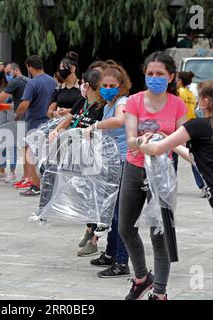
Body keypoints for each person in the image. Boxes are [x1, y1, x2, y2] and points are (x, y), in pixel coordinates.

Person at [140, 76, 213, 300]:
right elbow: (196, 158)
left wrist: (144, 144)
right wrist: (172, 143)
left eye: (197, 98)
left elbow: (155, 149)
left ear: (204, 102)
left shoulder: (197, 125)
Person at [120, 52, 187, 300]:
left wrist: (200, 160)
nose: (154, 78)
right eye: (150, 74)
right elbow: (129, 139)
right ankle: (141, 278)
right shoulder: (135, 101)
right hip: (134, 169)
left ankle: (159, 292)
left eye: (160, 74)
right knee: (125, 228)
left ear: (170, 77)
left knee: (160, 235)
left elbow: (181, 141)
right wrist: (140, 141)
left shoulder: (178, 105)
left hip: (162, 175)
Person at [48, 68, 106, 255]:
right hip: (77, 156)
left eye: (82, 83)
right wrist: (56, 130)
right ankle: (89, 229)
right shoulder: (82, 101)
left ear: (88, 85)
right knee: (84, 195)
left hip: (94, 157)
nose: (81, 86)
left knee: (97, 198)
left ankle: (96, 240)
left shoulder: (102, 107)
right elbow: (70, 119)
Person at [83, 63, 131, 277]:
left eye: (112, 85)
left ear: (120, 86)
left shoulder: (122, 102)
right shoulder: (106, 106)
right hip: (111, 162)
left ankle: (122, 262)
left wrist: (95, 127)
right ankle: (111, 254)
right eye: (104, 84)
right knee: (110, 212)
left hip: (124, 162)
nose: (107, 88)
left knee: (121, 214)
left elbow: (120, 120)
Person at [15, 55, 56, 196]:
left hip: (35, 123)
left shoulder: (32, 83)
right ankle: (47, 184)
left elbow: (24, 104)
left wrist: (17, 114)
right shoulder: (53, 81)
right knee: (47, 156)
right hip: (51, 124)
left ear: (30, 67)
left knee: (30, 154)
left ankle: (35, 185)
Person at [0, 62, 29, 183]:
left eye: (7, 72)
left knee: (12, 144)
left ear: (15, 71)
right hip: (5, 118)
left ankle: (12, 171)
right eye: (3, 72)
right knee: (3, 143)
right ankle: (2, 170)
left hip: (16, 117)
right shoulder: (20, 82)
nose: (5, 75)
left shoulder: (18, 82)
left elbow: (4, 100)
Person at [177, 71, 208, 197]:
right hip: (192, 127)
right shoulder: (190, 94)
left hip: (183, 128)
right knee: (193, 156)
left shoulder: (179, 93)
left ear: (179, 81)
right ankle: (204, 184)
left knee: (179, 156)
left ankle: (203, 184)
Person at [47, 52, 81, 119]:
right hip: (60, 124)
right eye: (59, 68)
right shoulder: (59, 89)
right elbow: (49, 111)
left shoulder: (82, 87)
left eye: (62, 67)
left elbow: (87, 110)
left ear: (72, 69)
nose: (60, 70)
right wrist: (54, 113)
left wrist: (69, 111)